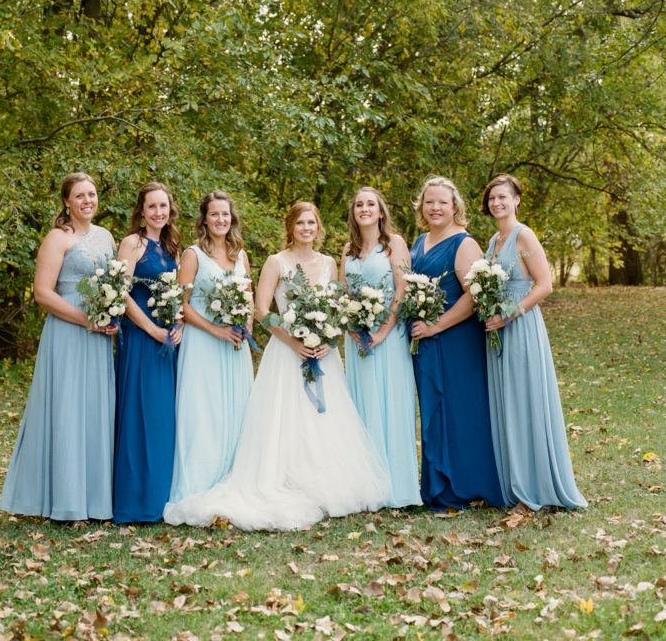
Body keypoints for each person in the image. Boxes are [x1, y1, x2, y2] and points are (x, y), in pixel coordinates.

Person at [164, 201, 391, 529]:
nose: (306, 228)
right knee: (284, 421)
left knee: (323, 420)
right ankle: (282, 480)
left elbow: (342, 305)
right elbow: (260, 311)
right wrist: (294, 342)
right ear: (290, 227)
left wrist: (330, 337)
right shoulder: (276, 262)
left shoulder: (330, 262)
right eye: (300, 223)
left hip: (324, 355)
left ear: (319, 226)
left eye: (311, 222)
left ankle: (323, 481)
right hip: (286, 354)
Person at [0, 172, 117, 521]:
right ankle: (65, 500)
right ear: (67, 201)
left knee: (96, 411)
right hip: (68, 334)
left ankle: (96, 501)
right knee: (67, 410)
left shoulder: (107, 236)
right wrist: (87, 320)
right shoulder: (57, 238)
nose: (87, 201)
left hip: (99, 340)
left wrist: (110, 316)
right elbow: (43, 294)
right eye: (79, 195)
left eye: (92, 194)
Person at [482, 174, 587, 511]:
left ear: (516, 201)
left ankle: (537, 486)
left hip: (520, 327)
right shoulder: (493, 240)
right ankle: (514, 484)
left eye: (503, 197)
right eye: (492, 198)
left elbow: (544, 285)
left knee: (525, 401)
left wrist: (509, 314)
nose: (496, 203)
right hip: (496, 330)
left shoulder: (523, 235)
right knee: (506, 404)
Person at [409, 175, 504, 510]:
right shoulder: (420, 240)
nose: (435, 208)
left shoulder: (464, 243)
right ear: (422, 206)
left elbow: (473, 297)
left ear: (454, 207)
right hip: (426, 339)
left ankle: (464, 485)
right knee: (434, 410)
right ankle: (437, 485)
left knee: (460, 409)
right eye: (429, 202)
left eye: (442, 202)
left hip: (456, 339)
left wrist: (436, 326)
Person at [164, 191, 255, 509]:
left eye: (225, 214)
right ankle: (200, 484)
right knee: (205, 413)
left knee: (238, 411)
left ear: (232, 218)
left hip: (234, 346)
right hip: (203, 344)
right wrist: (216, 329)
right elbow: (180, 304)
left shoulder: (239, 254)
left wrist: (247, 325)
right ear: (204, 219)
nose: (220, 220)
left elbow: (248, 295)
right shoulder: (193, 255)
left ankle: (234, 478)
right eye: (214, 214)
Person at [341, 187, 421, 507]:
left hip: (389, 337)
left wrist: (384, 329)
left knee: (390, 402)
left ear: (381, 211)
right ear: (354, 212)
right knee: (363, 406)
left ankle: (396, 487)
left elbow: (403, 288)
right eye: (359, 204)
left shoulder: (395, 244)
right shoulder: (348, 249)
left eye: (370, 204)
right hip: (358, 337)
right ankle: (367, 487)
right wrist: (350, 324)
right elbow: (343, 291)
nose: (364, 208)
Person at [113, 183, 183, 523]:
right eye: (152, 206)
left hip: (168, 340)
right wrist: (152, 329)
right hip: (141, 337)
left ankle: (161, 497)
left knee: (162, 417)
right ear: (141, 211)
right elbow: (121, 294)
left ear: (170, 209)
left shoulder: (172, 245)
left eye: (163, 206)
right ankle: (136, 501)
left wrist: (178, 323)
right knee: (139, 413)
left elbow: (181, 292)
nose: (158, 212)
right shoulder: (132, 243)